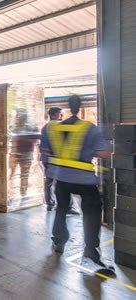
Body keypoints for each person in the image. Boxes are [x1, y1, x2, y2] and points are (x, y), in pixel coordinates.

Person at [40, 95, 111, 266]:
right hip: (84, 179)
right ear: (79, 108)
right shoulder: (89, 128)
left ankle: (58, 241)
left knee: (61, 208)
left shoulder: (53, 129)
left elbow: (46, 152)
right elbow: (104, 153)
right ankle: (91, 250)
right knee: (92, 213)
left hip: (62, 178)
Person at [40, 107, 79, 214]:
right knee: (63, 182)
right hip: (54, 159)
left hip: (49, 159)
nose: (62, 117)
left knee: (50, 182)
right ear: (52, 116)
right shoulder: (54, 126)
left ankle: (50, 204)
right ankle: (66, 207)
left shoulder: (46, 127)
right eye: (60, 114)